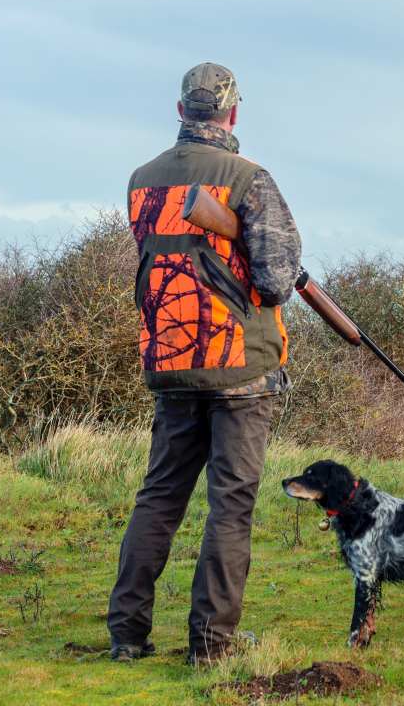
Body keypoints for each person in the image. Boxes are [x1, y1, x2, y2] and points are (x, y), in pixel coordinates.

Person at [108, 63, 302, 662]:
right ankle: (212, 644)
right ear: (233, 113)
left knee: (159, 497)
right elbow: (273, 283)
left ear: (180, 110)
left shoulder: (142, 180)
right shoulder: (251, 179)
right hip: (239, 367)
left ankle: (127, 635)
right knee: (230, 503)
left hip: (170, 357)